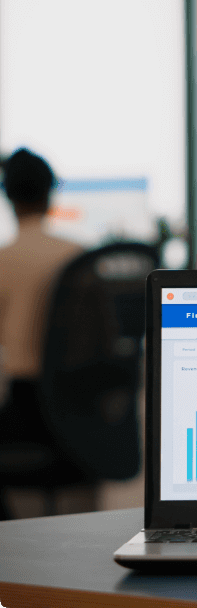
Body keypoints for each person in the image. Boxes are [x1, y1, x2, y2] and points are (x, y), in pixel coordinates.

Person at [0, 149, 84, 518]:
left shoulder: (4, 259)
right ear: (51, 195)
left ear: (8, 197)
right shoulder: (80, 255)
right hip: (80, 415)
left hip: (24, 413)